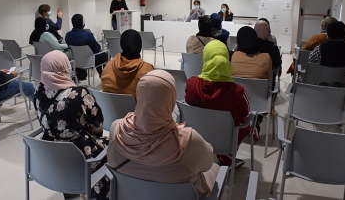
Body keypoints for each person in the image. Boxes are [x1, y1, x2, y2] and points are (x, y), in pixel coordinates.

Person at [107, 70, 220, 199]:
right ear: (171, 99)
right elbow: (207, 165)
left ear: (139, 95)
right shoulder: (189, 141)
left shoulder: (116, 129)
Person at [33, 50, 109, 200]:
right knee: (109, 145)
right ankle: (98, 193)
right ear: (65, 67)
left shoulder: (39, 90)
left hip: (50, 153)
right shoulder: (79, 93)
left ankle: (69, 189)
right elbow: (98, 125)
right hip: (79, 154)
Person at [185, 40, 250, 168]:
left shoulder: (192, 84)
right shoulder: (238, 92)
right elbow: (245, 111)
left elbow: (187, 100)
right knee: (245, 123)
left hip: (198, 136)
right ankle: (226, 160)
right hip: (226, 139)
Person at [231, 27, 272, 140]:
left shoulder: (234, 56)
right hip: (259, 104)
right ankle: (256, 125)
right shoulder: (266, 57)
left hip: (237, 102)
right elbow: (269, 78)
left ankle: (244, 124)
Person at [101, 29, 153, 100]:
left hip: (110, 110)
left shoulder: (108, 67)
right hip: (137, 110)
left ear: (122, 44)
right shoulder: (147, 70)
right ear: (139, 45)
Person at [65, 14, 108, 79]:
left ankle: (102, 75)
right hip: (90, 61)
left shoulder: (68, 35)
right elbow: (97, 48)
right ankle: (103, 75)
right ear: (82, 23)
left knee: (98, 55)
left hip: (76, 62)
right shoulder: (87, 35)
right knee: (105, 55)